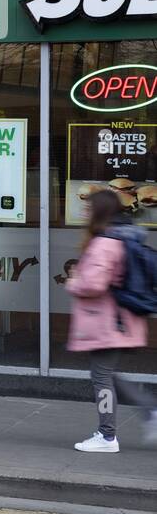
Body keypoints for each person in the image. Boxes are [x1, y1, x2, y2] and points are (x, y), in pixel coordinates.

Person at [65, 188, 157, 451]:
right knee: (105, 374)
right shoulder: (122, 237)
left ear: (99, 212)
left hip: (108, 322)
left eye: (87, 208)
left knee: (102, 379)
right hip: (116, 321)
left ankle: (107, 435)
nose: (83, 212)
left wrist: (74, 281)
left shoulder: (104, 242)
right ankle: (149, 411)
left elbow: (93, 284)